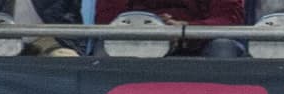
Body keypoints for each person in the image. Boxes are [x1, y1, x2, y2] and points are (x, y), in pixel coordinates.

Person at [93, 0, 248, 57]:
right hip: (140, 39)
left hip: (199, 41)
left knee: (223, 47)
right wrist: (153, 26)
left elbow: (229, 18)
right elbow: (107, 19)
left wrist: (186, 30)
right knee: (104, 49)